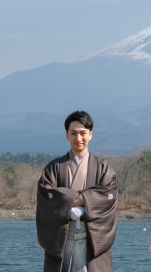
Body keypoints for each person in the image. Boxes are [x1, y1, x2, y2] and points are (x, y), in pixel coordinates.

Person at [36, 111, 118, 272]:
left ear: (90, 135)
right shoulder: (53, 169)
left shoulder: (103, 168)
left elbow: (108, 197)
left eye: (83, 133)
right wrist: (87, 199)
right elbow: (47, 199)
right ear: (66, 135)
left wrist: (70, 200)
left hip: (92, 242)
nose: (78, 138)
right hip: (63, 242)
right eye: (73, 133)